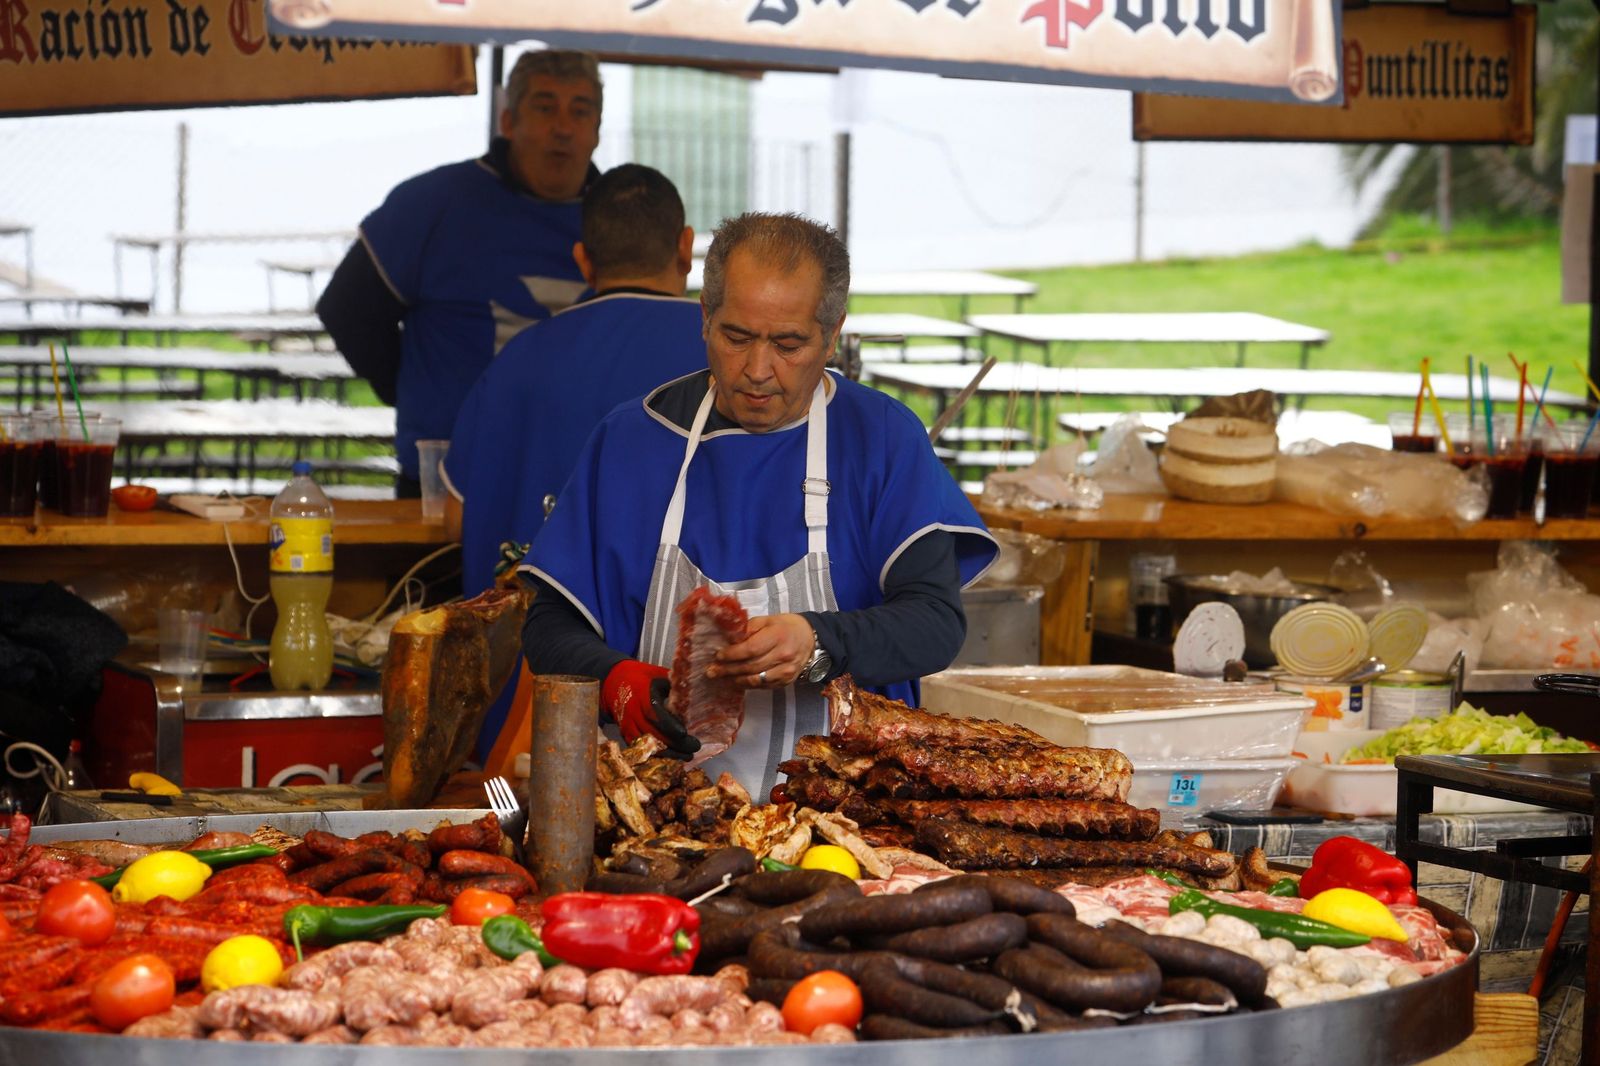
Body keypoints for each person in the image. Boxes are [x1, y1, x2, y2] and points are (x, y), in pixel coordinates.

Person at [520, 212, 998, 796]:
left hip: (848, 813)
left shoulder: (881, 439)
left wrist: (819, 641)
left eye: (789, 344)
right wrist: (612, 677)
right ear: (704, 318)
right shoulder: (633, 440)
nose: (757, 370)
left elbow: (935, 625)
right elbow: (548, 627)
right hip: (653, 808)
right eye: (736, 336)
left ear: (833, 333)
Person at [443, 164, 706, 761]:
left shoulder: (520, 358)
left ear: (584, 260)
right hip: (678, 702)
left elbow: (455, 523)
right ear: (686, 247)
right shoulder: (731, 357)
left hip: (523, 716)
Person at [316, 50, 603, 497]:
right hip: (448, 487)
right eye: (545, 108)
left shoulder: (621, 220)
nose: (563, 127)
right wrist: (414, 388)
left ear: (597, 130)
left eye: (580, 111)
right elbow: (347, 309)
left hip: (579, 491)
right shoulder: (434, 204)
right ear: (509, 122)